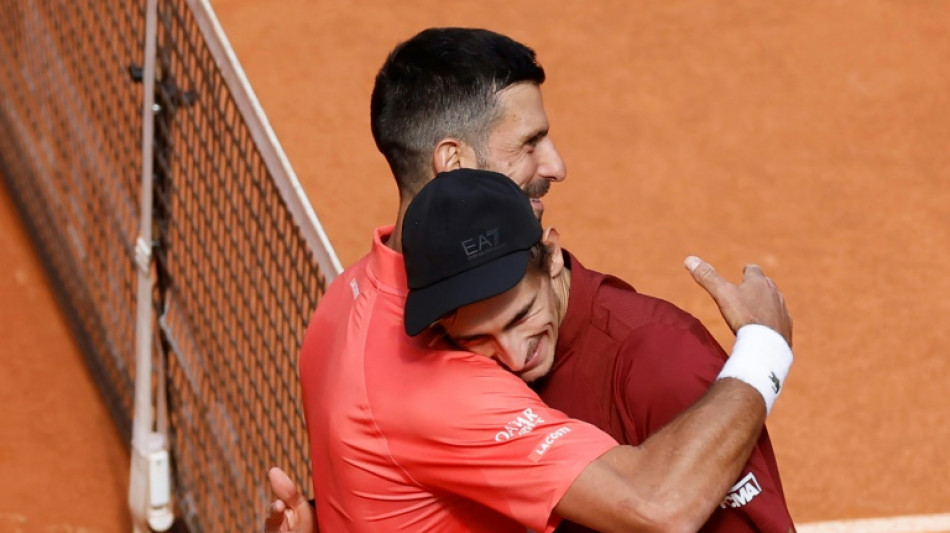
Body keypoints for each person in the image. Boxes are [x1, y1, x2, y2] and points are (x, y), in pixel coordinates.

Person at [266, 28, 794, 532]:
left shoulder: (341, 302)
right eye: (528, 142)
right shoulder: (440, 386)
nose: (557, 166)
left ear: (551, 257)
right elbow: (657, 505)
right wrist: (765, 347)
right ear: (453, 162)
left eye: (520, 315)